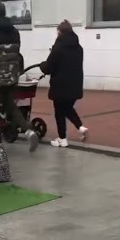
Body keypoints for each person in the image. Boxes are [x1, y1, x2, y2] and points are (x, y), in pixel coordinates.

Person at [0, 2, 39, 152]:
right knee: (11, 106)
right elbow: (17, 54)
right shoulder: (14, 32)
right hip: (11, 77)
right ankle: (28, 130)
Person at [39, 20, 88, 148]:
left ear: (60, 32)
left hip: (60, 86)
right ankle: (80, 127)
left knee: (60, 112)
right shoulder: (79, 48)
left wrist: (42, 65)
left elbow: (49, 67)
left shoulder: (58, 47)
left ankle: (62, 138)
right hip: (75, 85)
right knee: (67, 108)